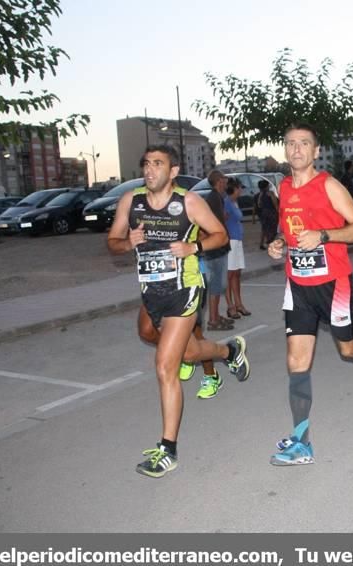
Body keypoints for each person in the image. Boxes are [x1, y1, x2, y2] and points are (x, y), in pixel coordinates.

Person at [107, 145, 250, 478]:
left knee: (165, 366)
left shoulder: (188, 202)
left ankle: (168, 450)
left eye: (158, 164)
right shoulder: (131, 201)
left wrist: (193, 247)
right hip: (151, 291)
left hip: (184, 289)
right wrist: (129, 243)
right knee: (173, 347)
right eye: (146, 164)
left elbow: (220, 235)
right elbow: (112, 242)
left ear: (173, 171)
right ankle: (229, 350)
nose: (150, 170)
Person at [267, 123, 353, 466]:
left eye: (304, 143)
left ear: (315, 151)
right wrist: (279, 243)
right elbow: (288, 229)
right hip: (298, 286)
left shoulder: (329, 185)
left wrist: (323, 235)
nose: (296, 149)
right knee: (296, 361)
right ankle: (302, 442)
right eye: (290, 143)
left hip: (333, 284)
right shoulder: (284, 187)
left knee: (348, 348)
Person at [204, 170, 233, 331]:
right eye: (224, 179)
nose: (226, 182)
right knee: (217, 284)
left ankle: (215, 316)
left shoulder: (216, 198)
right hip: (215, 248)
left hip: (219, 246)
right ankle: (213, 320)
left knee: (219, 285)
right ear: (219, 181)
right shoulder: (214, 198)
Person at [223, 177, 250, 319]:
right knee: (229, 275)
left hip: (237, 240)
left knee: (237, 274)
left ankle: (239, 304)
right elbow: (222, 220)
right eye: (239, 188)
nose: (241, 191)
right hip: (230, 241)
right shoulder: (227, 203)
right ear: (234, 188)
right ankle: (230, 306)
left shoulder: (235, 202)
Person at [256, 179, 279, 250]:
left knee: (264, 229)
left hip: (264, 213)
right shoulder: (270, 193)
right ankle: (272, 244)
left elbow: (259, 205)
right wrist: (278, 212)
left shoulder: (260, 194)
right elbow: (275, 204)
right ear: (266, 186)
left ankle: (262, 244)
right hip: (271, 213)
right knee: (273, 229)